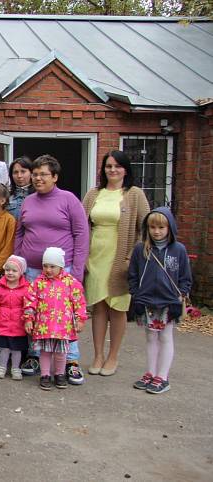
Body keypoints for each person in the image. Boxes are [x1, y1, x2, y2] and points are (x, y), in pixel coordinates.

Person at [15, 155, 90, 385]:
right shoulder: (28, 201)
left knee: (64, 317)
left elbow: (82, 234)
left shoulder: (68, 200)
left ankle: (71, 361)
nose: (38, 178)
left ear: (55, 177)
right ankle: (37, 356)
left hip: (62, 272)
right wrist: (18, 262)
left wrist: (76, 271)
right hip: (32, 271)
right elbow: (20, 233)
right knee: (35, 314)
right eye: (35, 174)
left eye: (43, 174)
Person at [82, 151, 150, 377]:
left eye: (117, 166)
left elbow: (146, 228)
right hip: (96, 257)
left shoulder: (134, 194)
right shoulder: (94, 194)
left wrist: (131, 256)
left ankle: (113, 356)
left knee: (118, 308)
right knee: (99, 307)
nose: (112, 170)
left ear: (126, 169)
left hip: (120, 258)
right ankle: (98, 355)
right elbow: (82, 226)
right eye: (108, 166)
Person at [128, 207, 192, 394]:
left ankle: (162, 376)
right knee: (150, 336)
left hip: (168, 301)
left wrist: (181, 293)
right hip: (146, 300)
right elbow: (133, 274)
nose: (156, 231)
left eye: (161, 227)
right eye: (152, 227)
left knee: (165, 337)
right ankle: (150, 372)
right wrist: (135, 293)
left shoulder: (178, 250)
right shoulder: (141, 249)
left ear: (169, 228)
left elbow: (185, 277)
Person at [23, 247, 88, 391]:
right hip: (44, 325)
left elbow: (79, 301)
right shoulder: (38, 282)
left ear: (61, 266)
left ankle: (59, 374)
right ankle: (45, 375)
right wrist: (28, 318)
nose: (48, 269)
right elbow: (30, 300)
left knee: (61, 352)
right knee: (45, 352)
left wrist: (80, 319)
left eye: (52, 266)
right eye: (45, 266)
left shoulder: (71, 282)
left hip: (63, 326)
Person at [0, 255, 29, 380]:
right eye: (8, 270)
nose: (10, 273)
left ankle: (15, 368)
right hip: (2, 324)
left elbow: (28, 307)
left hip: (18, 326)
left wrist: (28, 321)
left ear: (21, 272)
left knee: (16, 349)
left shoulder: (26, 289)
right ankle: (2, 366)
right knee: (3, 348)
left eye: (14, 271)